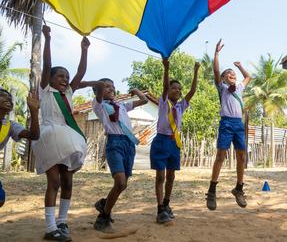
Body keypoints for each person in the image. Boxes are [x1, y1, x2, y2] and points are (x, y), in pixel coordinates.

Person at [34, 25, 92, 241]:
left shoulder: (67, 92)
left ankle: (62, 221)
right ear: (49, 78)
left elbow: (81, 73)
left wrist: (84, 49)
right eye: (59, 76)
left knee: (68, 182)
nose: (64, 79)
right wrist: (47, 38)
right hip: (50, 136)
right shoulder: (45, 90)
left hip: (68, 138)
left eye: (66, 77)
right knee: (55, 182)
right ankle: (50, 228)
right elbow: (47, 64)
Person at [91, 78, 148, 232]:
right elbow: (99, 89)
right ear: (98, 91)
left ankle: (105, 206)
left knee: (124, 184)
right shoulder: (99, 105)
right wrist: (100, 87)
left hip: (128, 144)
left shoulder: (121, 105)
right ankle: (103, 217)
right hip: (114, 143)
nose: (110, 89)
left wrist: (136, 91)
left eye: (112, 86)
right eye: (106, 87)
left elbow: (144, 100)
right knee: (120, 183)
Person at [206, 39, 251, 211]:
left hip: (238, 125)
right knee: (220, 156)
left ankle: (239, 189)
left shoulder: (239, 87)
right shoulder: (222, 88)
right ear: (224, 79)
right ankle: (212, 190)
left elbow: (249, 77)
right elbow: (216, 70)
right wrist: (216, 53)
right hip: (226, 123)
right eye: (229, 73)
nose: (232, 74)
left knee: (241, 157)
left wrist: (239, 66)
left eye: (233, 73)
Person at [152, 58, 199, 223]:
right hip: (161, 141)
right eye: (174, 88)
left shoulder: (181, 106)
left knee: (171, 176)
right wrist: (166, 68)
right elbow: (164, 86)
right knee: (160, 176)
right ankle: (159, 210)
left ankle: (166, 204)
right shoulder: (164, 102)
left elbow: (192, 91)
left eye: (179, 89)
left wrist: (196, 71)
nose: (177, 91)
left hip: (174, 143)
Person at [0, 89, 40, 207]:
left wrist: (34, 111)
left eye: (10, 99)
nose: (8, 100)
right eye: (3, 96)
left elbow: (34, 136)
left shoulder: (10, 126)